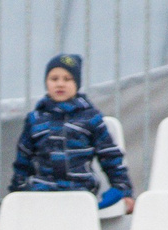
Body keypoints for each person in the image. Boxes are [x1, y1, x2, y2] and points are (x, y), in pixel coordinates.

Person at [8, 53, 133, 215]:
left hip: (80, 190)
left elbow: (109, 156)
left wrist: (123, 189)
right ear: (46, 83)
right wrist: (18, 190)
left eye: (67, 79)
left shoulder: (91, 117)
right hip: (42, 192)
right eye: (54, 79)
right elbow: (23, 159)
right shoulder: (35, 119)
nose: (60, 84)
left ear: (77, 84)